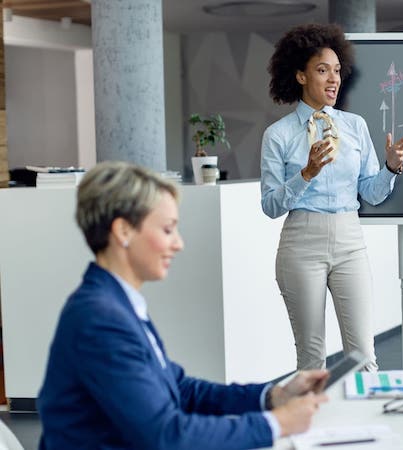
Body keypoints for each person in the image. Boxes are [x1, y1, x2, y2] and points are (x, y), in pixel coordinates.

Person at [38, 161, 329, 449]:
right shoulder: (100, 319)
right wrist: (277, 423)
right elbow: (167, 435)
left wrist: (273, 397)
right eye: (167, 230)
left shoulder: (115, 303)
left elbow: (179, 389)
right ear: (123, 232)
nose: (178, 244)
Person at [260, 23, 403, 371]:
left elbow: (371, 193)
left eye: (338, 71)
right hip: (301, 244)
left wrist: (389, 168)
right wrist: (306, 174)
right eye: (322, 70)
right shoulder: (278, 135)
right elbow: (269, 205)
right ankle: (315, 425)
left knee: (364, 357)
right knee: (312, 360)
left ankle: (367, 425)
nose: (333, 80)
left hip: (350, 241)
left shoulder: (355, 125)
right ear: (299, 75)